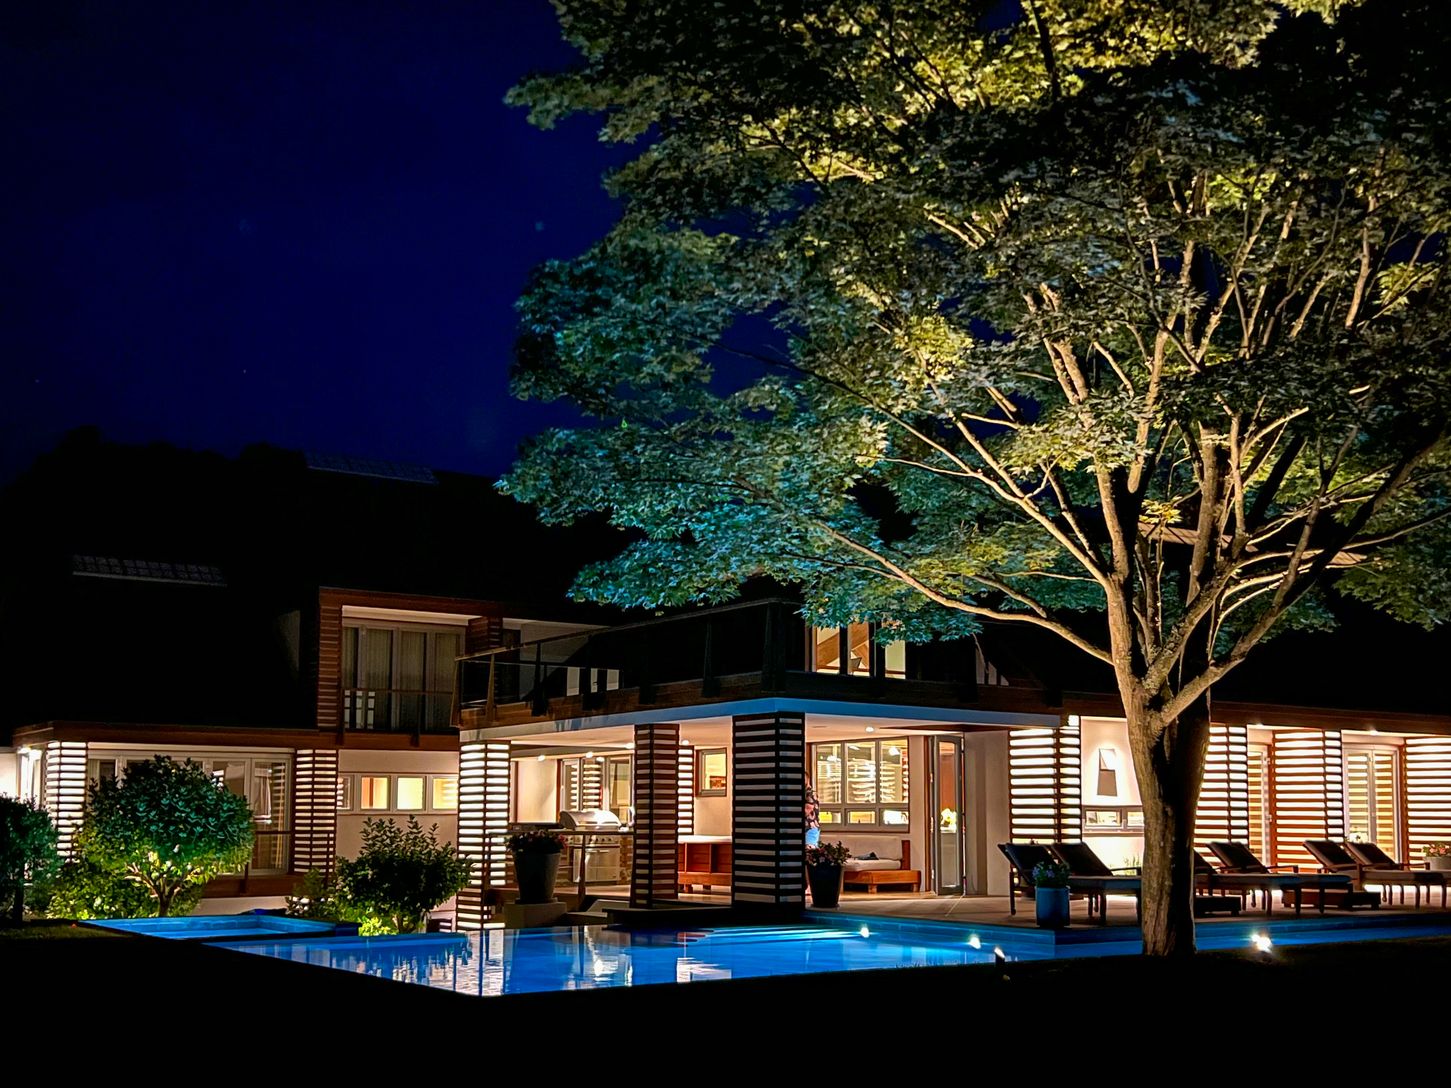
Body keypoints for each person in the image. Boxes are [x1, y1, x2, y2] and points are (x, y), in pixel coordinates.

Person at [804, 779, 821, 848]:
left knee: (809, 850)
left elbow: (807, 810)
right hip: (808, 828)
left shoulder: (810, 793)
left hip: (810, 828)